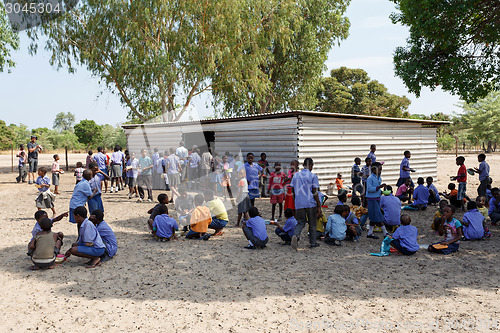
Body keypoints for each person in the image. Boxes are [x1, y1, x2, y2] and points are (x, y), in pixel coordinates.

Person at [290, 158, 321, 250]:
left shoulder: (296, 176)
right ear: (311, 165)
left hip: (299, 203)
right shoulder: (313, 176)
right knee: (312, 223)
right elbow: (315, 192)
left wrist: (296, 200)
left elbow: (292, 190)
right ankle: (313, 242)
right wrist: (319, 205)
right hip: (310, 203)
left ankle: (296, 235)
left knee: (300, 222)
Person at [366, 162, 389, 239]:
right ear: (373, 170)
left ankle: (370, 233)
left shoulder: (379, 178)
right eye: (379, 170)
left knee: (373, 216)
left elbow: (376, 189)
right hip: (372, 199)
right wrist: (379, 187)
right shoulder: (370, 178)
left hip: (377, 198)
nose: (380, 172)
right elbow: (369, 189)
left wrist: (382, 191)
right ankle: (385, 232)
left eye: (381, 170)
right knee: (379, 215)